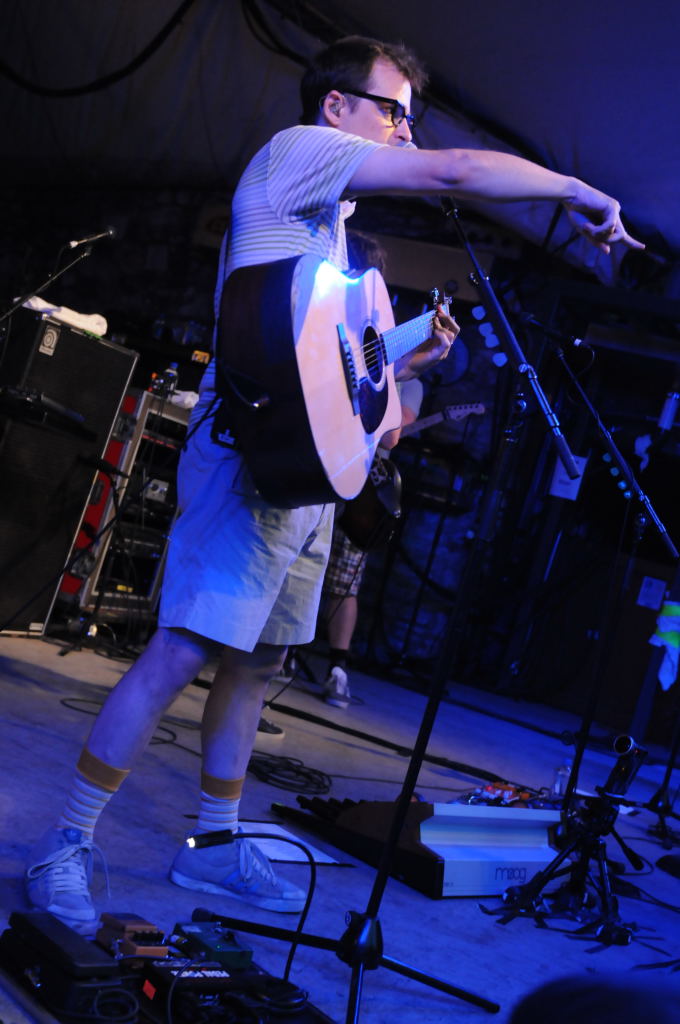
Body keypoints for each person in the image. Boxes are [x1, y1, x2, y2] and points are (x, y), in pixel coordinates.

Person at [25, 34, 643, 932]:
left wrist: (405, 357)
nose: (404, 131)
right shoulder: (298, 152)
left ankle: (214, 844)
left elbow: (324, 367)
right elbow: (456, 172)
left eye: (409, 119)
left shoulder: (331, 225)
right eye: (393, 111)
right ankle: (66, 845)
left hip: (304, 469)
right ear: (336, 107)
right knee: (182, 651)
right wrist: (577, 189)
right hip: (248, 453)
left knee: (260, 662)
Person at [321, 375, 423, 708]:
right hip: (327, 463)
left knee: (345, 581)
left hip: (364, 485)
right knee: (297, 562)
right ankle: (280, 652)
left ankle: (337, 667)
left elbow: (393, 433)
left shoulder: (411, 383)